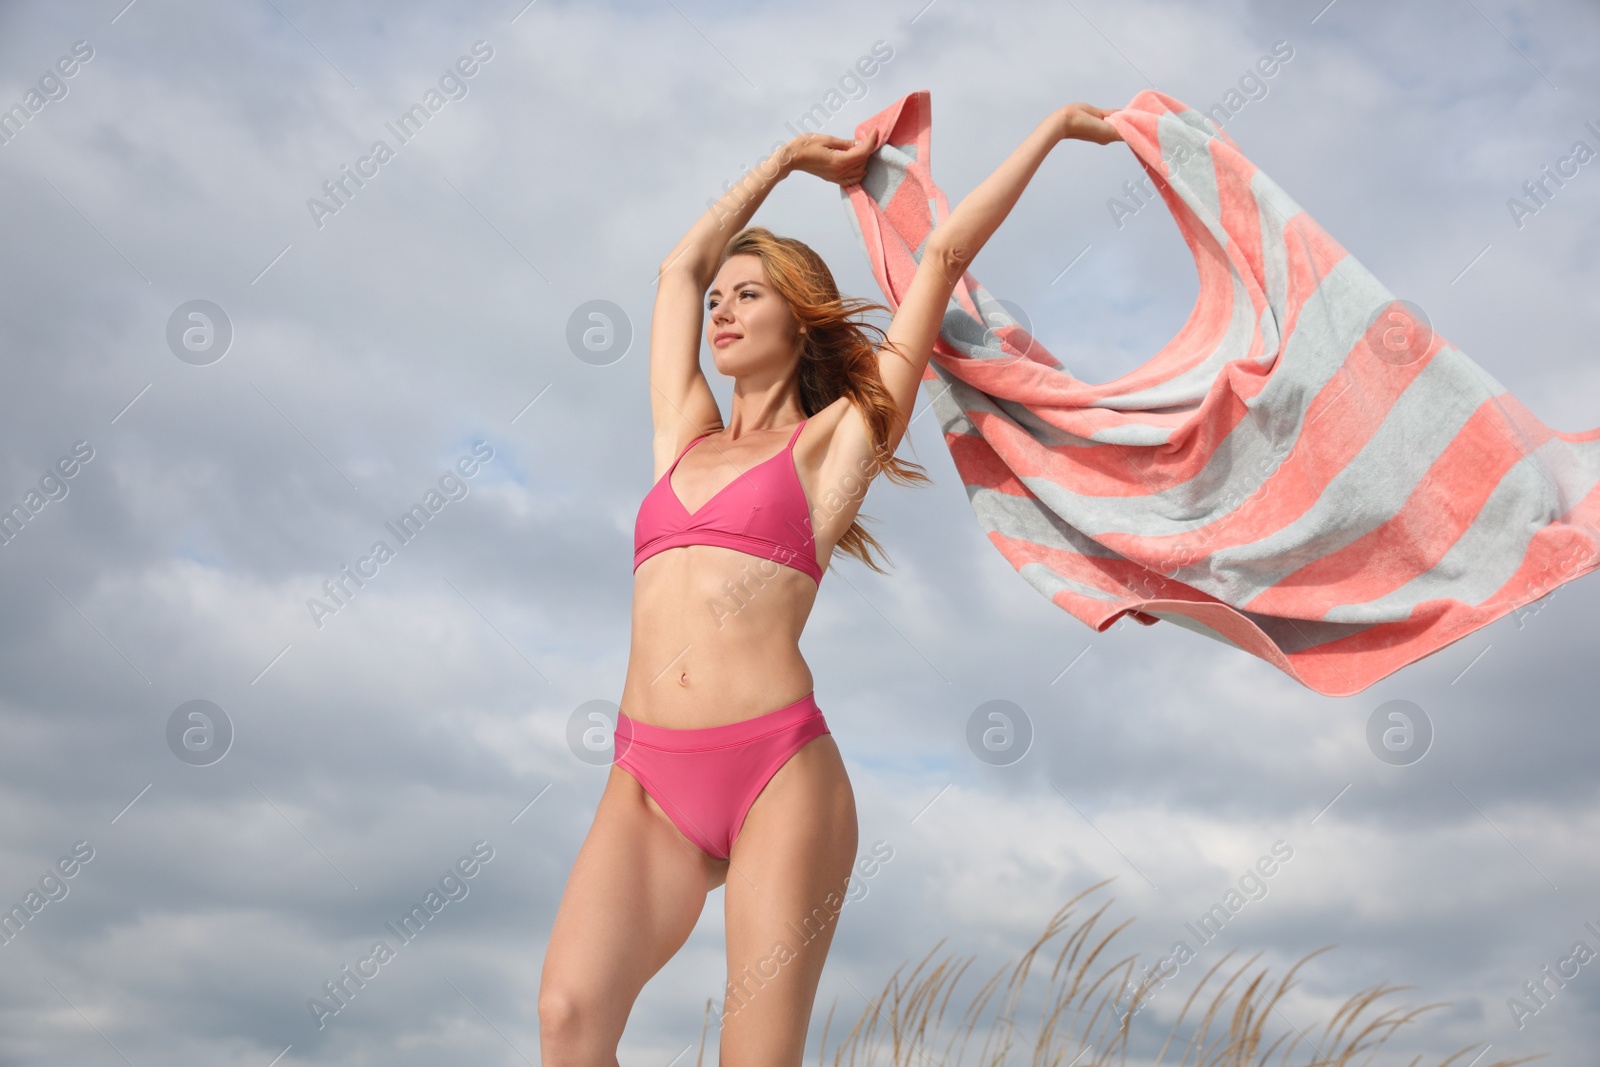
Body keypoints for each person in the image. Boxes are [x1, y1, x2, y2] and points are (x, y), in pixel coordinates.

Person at [537, 100, 1124, 1066]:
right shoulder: (682, 431)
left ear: (799, 320)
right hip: (646, 775)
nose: (720, 311)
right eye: (720, 300)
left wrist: (1054, 131)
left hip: (777, 773)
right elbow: (676, 269)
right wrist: (782, 162)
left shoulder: (837, 440)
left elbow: (936, 261)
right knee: (568, 1015)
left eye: (748, 296)